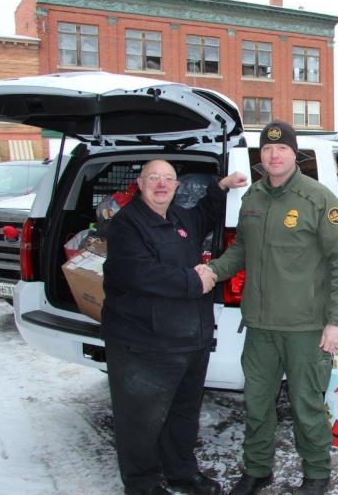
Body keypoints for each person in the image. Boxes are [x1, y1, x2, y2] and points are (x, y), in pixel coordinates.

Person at [201, 120, 338, 495]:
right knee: (257, 403)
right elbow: (241, 250)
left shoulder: (318, 199)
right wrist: (213, 270)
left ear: (294, 154)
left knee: (306, 406)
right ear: (261, 155)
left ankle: (317, 474)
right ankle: (258, 469)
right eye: (267, 149)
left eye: (281, 148)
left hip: (306, 328)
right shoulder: (252, 198)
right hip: (260, 326)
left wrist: (337, 321)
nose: (274, 155)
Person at [101, 159, 247, 495]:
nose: (161, 184)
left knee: (183, 413)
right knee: (140, 420)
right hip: (145, 342)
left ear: (177, 186)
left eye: (168, 179)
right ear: (140, 183)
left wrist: (220, 187)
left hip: (188, 339)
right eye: (154, 178)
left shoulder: (180, 216)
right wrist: (196, 280)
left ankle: (182, 474)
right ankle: (142, 486)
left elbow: (205, 213)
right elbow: (139, 273)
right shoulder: (127, 225)